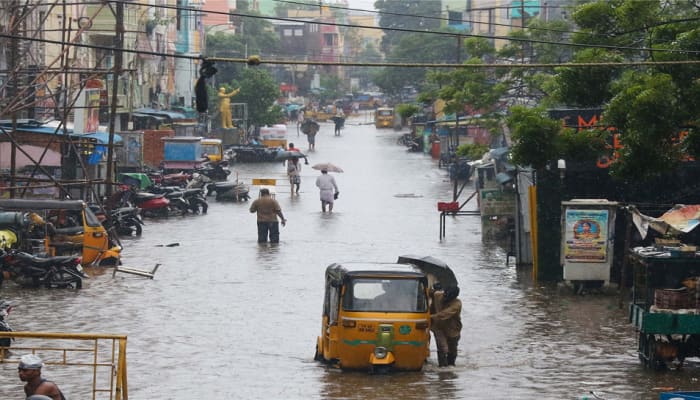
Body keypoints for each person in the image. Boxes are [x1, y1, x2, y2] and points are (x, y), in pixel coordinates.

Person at [430, 286, 462, 367]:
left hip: (453, 330)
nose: (445, 298)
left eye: (448, 297)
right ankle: (442, 368)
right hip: (438, 327)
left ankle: (450, 367)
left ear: (454, 297)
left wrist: (428, 317)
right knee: (442, 348)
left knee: (452, 351)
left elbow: (444, 314)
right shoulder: (437, 295)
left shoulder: (457, 304)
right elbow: (429, 292)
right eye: (445, 295)